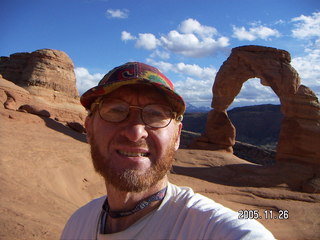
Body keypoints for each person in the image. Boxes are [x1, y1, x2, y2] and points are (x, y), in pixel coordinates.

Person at [61, 62, 275, 240]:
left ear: (177, 136)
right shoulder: (78, 223)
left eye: (155, 114)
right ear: (89, 128)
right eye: (116, 110)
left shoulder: (218, 230)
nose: (136, 132)